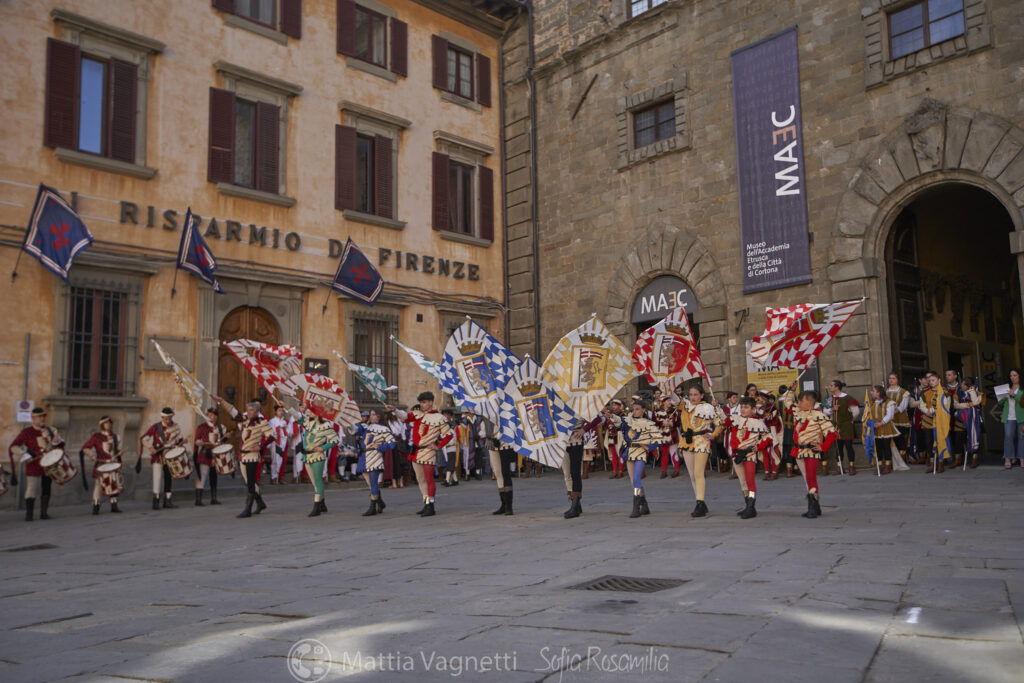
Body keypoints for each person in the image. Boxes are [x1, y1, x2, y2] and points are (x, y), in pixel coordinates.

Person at [387, 392, 453, 517]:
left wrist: (438, 446)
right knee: (420, 480)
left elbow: (449, 435)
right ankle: (426, 503)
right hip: (416, 451)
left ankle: (431, 506)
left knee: (429, 480)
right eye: (421, 402)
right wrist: (395, 409)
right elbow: (405, 417)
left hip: (428, 451)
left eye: (424, 402)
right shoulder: (417, 415)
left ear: (430, 402)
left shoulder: (439, 417)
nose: (422, 405)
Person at [8, 407, 64, 521]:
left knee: (47, 487)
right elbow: (14, 446)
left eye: (43, 416)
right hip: (33, 464)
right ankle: (29, 515)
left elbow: (61, 444)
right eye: (39, 417)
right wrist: (25, 455)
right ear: (33, 418)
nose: (42, 418)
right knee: (31, 488)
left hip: (49, 465)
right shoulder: (26, 432)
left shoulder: (51, 430)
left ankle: (44, 513)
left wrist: (57, 441)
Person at [610, 400, 664, 518]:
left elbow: (660, 439)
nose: (634, 411)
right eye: (633, 409)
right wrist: (610, 415)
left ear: (644, 410)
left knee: (636, 478)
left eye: (637, 409)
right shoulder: (628, 420)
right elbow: (619, 421)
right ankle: (644, 505)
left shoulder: (648, 423)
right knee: (633, 481)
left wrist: (649, 447)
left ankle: (636, 508)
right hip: (629, 451)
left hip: (640, 452)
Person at [789, 390, 837, 518]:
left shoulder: (818, 415)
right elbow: (788, 403)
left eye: (801, 400)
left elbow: (832, 433)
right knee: (806, 479)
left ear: (810, 402)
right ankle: (815, 506)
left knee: (811, 478)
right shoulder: (798, 413)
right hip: (799, 451)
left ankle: (813, 507)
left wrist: (823, 447)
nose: (799, 403)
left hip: (811, 451)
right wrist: (791, 390)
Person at [725, 396, 772, 519]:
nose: (743, 410)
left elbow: (768, 438)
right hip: (736, 454)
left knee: (750, 480)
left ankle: (751, 507)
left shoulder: (758, 422)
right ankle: (748, 506)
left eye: (746, 407)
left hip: (749, 454)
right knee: (742, 482)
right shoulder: (736, 419)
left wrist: (758, 447)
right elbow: (723, 420)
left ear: (753, 409)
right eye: (741, 407)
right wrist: (715, 407)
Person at [678, 385, 720, 518]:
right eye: (691, 394)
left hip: (701, 440)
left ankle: (700, 503)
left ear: (702, 395)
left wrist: (713, 435)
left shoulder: (707, 407)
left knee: (698, 473)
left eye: (695, 394)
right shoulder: (684, 405)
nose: (693, 397)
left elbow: (720, 423)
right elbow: (673, 399)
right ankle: (700, 501)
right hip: (687, 441)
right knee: (691, 475)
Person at [140, 407, 185, 510]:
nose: (167, 420)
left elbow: (180, 440)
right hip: (158, 455)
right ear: (162, 417)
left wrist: (182, 443)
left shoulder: (176, 427)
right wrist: (150, 448)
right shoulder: (156, 427)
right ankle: (156, 501)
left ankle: (167, 500)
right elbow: (144, 439)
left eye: (169, 418)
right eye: (165, 418)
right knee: (157, 477)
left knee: (169, 477)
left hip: (170, 456)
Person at [353, 408, 395, 516]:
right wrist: (347, 422)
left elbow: (392, 443)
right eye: (370, 415)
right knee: (371, 484)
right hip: (364, 456)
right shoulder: (365, 427)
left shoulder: (384, 429)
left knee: (373, 482)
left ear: (379, 416)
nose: (370, 417)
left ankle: (372, 507)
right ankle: (380, 503)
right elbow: (355, 430)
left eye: (373, 415)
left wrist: (380, 447)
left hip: (375, 456)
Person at [236, 401, 273, 518]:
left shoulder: (261, 422)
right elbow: (233, 412)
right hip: (243, 454)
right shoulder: (245, 420)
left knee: (251, 481)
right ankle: (260, 503)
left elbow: (272, 435)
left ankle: (248, 508)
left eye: (251, 410)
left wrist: (260, 446)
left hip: (252, 455)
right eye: (248, 409)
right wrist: (221, 401)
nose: (248, 411)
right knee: (247, 481)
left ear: (257, 411)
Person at [299, 409, 339, 517]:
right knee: (314, 483)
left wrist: (323, 447)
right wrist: (286, 406)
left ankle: (316, 507)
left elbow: (335, 440)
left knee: (318, 481)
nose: (309, 412)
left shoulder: (326, 425)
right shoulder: (308, 422)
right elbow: (297, 417)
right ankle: (322, 504)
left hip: (317, 456)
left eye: (312, 410)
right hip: (307, 455)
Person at [82, 416, 124, 514]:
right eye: (106, 423)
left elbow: (118, 449)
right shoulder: (96, 437)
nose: (108, 425)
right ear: (102, 425)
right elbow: (85, 448)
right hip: (101, 464)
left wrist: (120, 453)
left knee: (114, 482)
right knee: (99, 484)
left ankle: (114, 505)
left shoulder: (115, 437)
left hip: (113, 463)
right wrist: (92, 455)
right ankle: (96, 505)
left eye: (109, 423)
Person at [823, 380, 860, 475]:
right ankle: (839, 467)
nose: (829, 387)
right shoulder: (830, 399)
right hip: (835, 426)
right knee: (838, 447)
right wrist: (832, 409)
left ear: (837, 387)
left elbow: (856, 411)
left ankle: (851, 466)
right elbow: (824, 411)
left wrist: (849, 420)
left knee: (848, 446)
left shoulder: (847, 398)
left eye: (831, 385)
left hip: (846, 426)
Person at [193, 406, 227, 506]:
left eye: (214, 415)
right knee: (201, 476)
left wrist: (226, 438)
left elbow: (222, 440)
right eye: (210, 415)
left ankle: (214, 498)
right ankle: (198, 499)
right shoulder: (201, 427)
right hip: (205, 453)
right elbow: (196, 440)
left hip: (216, 455)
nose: (212, 417)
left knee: (214, 476)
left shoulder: (221, 427)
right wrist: (200, 442)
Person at [864, 385, 900, 474]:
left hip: (885, 427)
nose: (871, 392)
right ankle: (880, 465)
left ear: (879, 392)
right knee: (878, 447)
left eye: (873, 391)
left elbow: (890, 415)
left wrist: (881, 423)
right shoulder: (872, 403)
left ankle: (888, 465)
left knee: (886, 446)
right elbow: (868, 414)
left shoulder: (889, 402)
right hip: (875, 428)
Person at [998, 368, 1024, 469]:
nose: (1012, 378)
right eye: (1011, 376)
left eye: (1015, 375)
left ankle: (1021, 458)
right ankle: (1008, 458)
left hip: (1022, 417)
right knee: (1008, 436)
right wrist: (1003, 396)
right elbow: (1000, 402)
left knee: (1022, 437)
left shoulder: (1022, 388)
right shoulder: (1007, 387)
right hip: (1009, 416)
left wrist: (1015, 395)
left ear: (1020, 376)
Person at [886, 373, 913, 464]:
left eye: (893, 378)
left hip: (901, 419)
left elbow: (903, 406)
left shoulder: (904, 392)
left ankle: (902, 459)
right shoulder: (886, 392)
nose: (891, 380)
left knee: (901, 439)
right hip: (890, 420)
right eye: (890, 378)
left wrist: (893, 412)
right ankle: (894, 460)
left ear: (897, 379)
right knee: (892, 440)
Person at [654, 396, 680, 478]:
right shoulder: (657, 412)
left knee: (674, 453)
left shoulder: (674, 411)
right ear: (664, 402)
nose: (670, 402)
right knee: (664, 454)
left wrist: (672, 424)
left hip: (673, 435)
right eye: (668, 400)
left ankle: (676, 470)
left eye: (670, 400)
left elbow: (679, 422)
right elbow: (653, 422)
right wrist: (662, 423)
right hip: (662, 436)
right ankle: (664, 471)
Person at [268, 404, 293, 485]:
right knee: (275, 460)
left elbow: (289, 433)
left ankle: (281, 477)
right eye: (279, 410)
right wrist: (279, 428)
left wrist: (285, 428)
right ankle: (274, 477)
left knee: (283, 461)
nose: (281, 412)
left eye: (282, 411)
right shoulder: (272, 421)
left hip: (284, 443)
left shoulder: (285, 421)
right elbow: (271, 433)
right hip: (276, 443)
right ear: (275, 412)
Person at [604, 400, 625, 479]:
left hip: (619, 437)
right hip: (611, 437)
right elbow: (605, 426)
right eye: (613, 405)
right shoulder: (610, 414)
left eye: (615, 405)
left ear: (619, 406)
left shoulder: (622, 414)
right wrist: (606, 419)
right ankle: (614, 471)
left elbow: (621, 424)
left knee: (620, 454)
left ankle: (620, 471)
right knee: (614, 455)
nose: (613, 407)